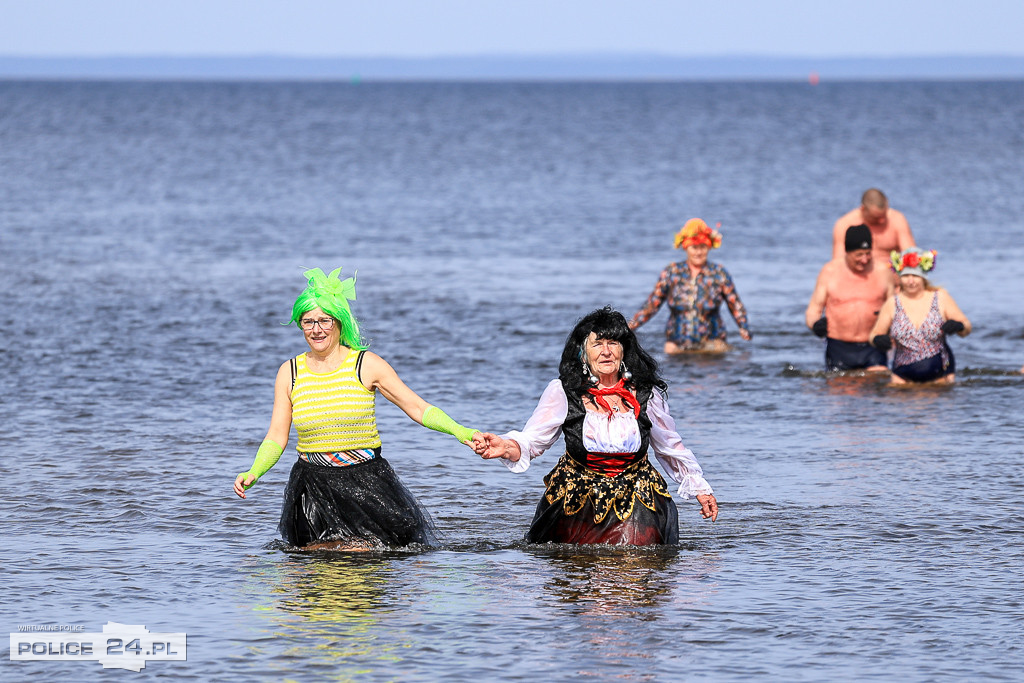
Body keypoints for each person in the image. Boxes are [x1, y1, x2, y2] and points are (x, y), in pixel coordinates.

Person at [233, 267, 479, 550]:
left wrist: (461, 431)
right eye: (308, 321)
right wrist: (255, 471)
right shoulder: (289, 372)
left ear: (339, 322)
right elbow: (277, 436)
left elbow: (417, 407)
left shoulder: (367, 364)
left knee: (365, 560)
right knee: (312, 569)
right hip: (311, 486)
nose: (316, 329)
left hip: (366, 483)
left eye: (324, 320)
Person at [472, 307, 718, 546]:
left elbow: (670, 447)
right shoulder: (563, 392)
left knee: (638, 565)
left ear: (624, 350)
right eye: (597, 344)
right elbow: (533, 441)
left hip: (638, 500)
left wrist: (700, 488)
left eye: (613, 343)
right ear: (583, 352)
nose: (606, 351)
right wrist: (503, 446)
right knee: (574, 572)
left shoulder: (646, 395)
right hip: (577, 501)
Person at [629, 218, 752, 354]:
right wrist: (631, 326)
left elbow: (734, 303)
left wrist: (743, 326)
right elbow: (652, 304)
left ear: (709, 247)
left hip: (712, 342)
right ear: (685, 247)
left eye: (703, 247)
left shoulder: (719, 273)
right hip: (677, 343)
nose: (698, 253)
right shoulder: (672, 272)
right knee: (668, 353)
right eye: (694, 248)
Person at [869, 248, 971, 384]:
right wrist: (877, 339)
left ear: (923, 277)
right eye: (906, 276)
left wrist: (959, 326)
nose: (911, 281)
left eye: (915, 276)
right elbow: (874, 334)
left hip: (941, 376)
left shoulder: (940, 297)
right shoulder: (892, 303)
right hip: (902, 377)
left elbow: (967, 328)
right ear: (899, 277)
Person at [806, 224, 895, 371]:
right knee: (841, 389)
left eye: (868, 253)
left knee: (877, 384)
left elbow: (895, 310)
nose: (864, 260)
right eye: (859, 255)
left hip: (873, 346)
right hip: (839, 346)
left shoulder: (883, 272)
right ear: (847, 252)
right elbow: (813, 310)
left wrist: (889, 334)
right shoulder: (830, 272)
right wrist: (815, 325)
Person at [831, 188, 916, 264]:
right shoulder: (845, 224)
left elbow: (911, 254)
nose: (881, 221)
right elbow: (838, 262)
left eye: (884, 216)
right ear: (863, 209)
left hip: (892, 275)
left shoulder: (897, 219)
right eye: (876, 218)